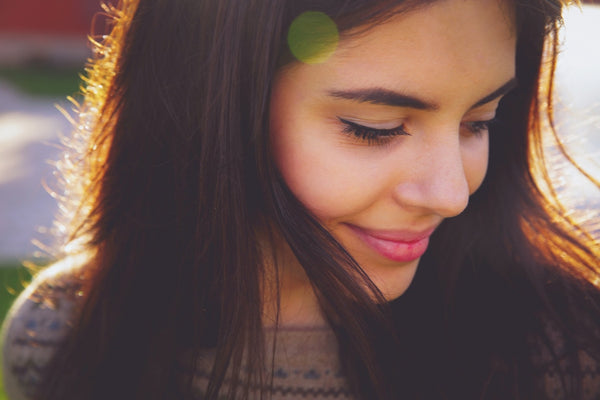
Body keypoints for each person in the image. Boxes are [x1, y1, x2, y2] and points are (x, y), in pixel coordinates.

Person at [2, 0, 599, 398]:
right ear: (207, 109)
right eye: (376, 127)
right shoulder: (61, 334)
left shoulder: (565, 354)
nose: (450, 195)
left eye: (480, 121)